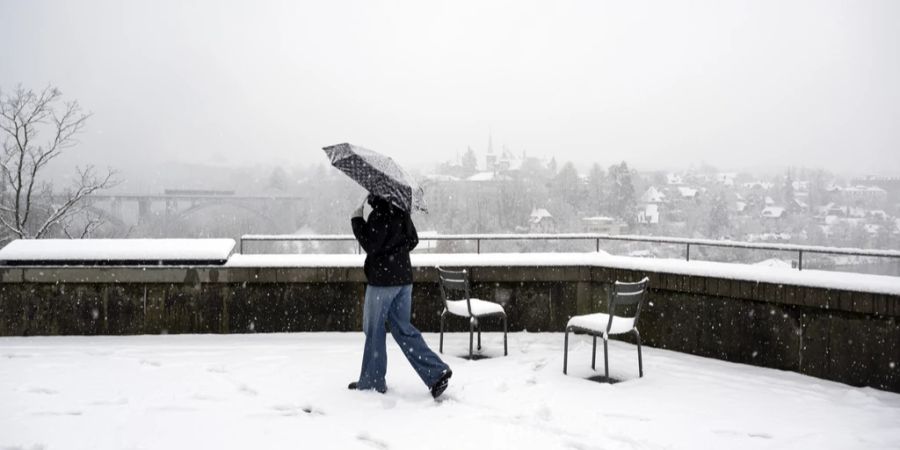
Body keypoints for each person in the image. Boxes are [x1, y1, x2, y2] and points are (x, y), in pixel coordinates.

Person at [347, 194, 452, 398]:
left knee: (374, 330)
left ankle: (372, 381)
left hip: (382, 283)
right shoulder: (401, 212)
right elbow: (413, 240)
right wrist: (396, 250)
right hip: (404, 280)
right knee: (403, 329)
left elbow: (370, 245)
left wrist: (357, 220)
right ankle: (436, 372)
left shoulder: (378, 215)